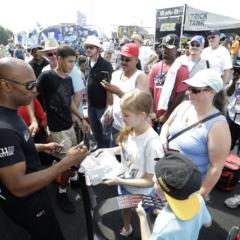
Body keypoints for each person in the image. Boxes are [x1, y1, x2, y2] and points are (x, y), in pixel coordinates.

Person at [0, 57, 89, 240]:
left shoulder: (10, 112)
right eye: (30, 85)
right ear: (6, 86)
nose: (35, 90)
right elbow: (18, 186)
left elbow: (18, 147)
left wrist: (41, 147)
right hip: (27, 203)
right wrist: (65, 163)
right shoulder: (3, 129)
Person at [160, 69, 231, 200]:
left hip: (189, 187)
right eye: (189, 88)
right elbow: (167, 125)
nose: (188, 92)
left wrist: (201, 194)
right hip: (168, 174)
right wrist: (163, 137)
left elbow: (216, 167)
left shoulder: (218, 126)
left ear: (212, 92)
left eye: (195, 89)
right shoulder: (184, 106)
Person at [103, 89, 164, 236]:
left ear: (142, 115)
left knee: (143, 216)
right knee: (125, 207)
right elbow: (126, 148)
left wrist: (118, 180)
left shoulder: (153, 144)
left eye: (126, 115)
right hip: (125, 184)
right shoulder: (131, 128)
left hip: (142, 193)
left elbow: (150, 181)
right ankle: (127, 227)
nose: (121, 117)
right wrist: (111, 151)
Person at [37, 46, 89, 213]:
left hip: (69, 126)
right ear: (59, 59)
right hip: (57, 129)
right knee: (67, 164)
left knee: (73, 159)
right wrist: (37, 118)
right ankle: (61, 192)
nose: (72, 65)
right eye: (69, 61)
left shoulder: (67, 79)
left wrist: (81, 119)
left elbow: (69, 103)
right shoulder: (46, 76)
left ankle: (72, 180)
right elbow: (32, 96)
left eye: (74, 62)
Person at [136, 151, 212, 240]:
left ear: (167, 193)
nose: (153, 179)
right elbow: (208, 223)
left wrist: (142, 217)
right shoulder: (198, 199)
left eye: (156, 182)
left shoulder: (164, 224)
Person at [101, 43, 148, 147]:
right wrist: (108, 110)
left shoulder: (141, 77)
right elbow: (110, 97)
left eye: (127, 60)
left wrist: (119, 92)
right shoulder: (115, 74)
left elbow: (140, 104)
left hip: (132, 128)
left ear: (136, 60)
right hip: (115, 125)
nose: (123, 62)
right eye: (122, 58)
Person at [149, 34, 188, 131]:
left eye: (169, 47)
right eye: (163, 47)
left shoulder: (181, 69)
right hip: (153, 116)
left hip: (171, 117)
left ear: (176, 48)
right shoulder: (155, 67)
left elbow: (180, 95)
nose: (164, 50)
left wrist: (167, 115)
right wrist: (151, 111)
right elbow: (150, 91)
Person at [84, 35, 113, 148]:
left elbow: (110, 87)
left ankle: (106, 154)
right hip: (91, 105)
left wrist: (108, 106)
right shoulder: (87, 63)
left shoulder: (106, 65)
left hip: (102, 106)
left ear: (98, 49)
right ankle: (100, 150)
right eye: (87, 47)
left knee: (105, 133)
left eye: (91, 47)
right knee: (96, 132)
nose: (88, 49)